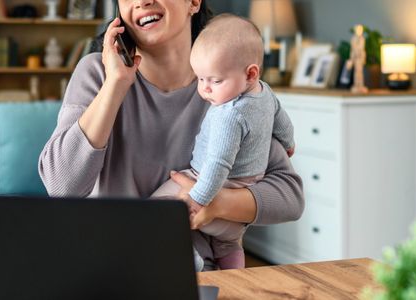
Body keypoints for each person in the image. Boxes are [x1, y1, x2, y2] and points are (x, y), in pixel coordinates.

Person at [38, 0, 303, 271]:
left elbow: (290, 196)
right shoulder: (96, 72)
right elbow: (62, 187)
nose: (142, 1)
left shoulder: (229, 85)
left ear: (193, 2)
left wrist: (212, 204)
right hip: (107, 269)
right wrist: (115, 84)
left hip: (195, 275)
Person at [150, 14, 295, 270]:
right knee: (228, 245)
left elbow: (218, 163)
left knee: (155, 212)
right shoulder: (265, 91)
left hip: (210, 183)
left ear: (250, 73)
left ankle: (189, 263)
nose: (205, 89)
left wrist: (198, 199)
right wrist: (288, 142)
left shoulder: (229, 115)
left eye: (215, 81)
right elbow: (280, 118)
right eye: (200, 78)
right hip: (247, 188)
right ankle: (235, 280)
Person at [347, 24, 368, 93]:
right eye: (358, 29)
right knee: (356, 73)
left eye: (360, 30)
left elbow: (362, 48)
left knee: (360, 73)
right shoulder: (353, 39)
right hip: (355, 57)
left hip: (360, 57)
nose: (359, 31)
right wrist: (352, 58)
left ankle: (361, 86)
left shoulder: (362, 39)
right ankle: (356, 85)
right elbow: (353, 49)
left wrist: (363, 57)